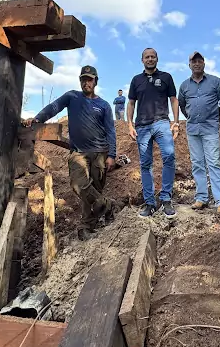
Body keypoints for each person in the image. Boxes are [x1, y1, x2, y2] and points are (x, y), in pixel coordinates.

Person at [23, 65, 116, 241]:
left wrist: (112, 155)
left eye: (89, 79)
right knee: (79, 185)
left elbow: (111, 131)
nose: (86, 82)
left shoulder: (103, 105)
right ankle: (108, 205)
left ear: (96, 81)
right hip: (78, 152)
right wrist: (38, 118)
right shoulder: (72, 96)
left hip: (100, 153)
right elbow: (54, 107)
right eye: (83, 79)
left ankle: (86, 226)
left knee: (94, 190)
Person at [127, 48, 180, 219]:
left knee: (169, 157)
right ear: (142, 60)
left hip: (162, 123)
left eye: (153, 56)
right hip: (142, 127)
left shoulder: (166, 77)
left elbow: (173, 99)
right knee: (145, 164)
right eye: (147, 57)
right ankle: (150, 203)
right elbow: (131, 103)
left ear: (157, 59)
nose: (150, 59)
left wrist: (176, 122)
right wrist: (129, 124)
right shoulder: (136, 80)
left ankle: (166, 199)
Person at [178, 52, 220, 216]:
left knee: (214, 162)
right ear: (189, 65)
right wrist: (191, 117)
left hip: (210, 128)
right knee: (197, 163)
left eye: (200, 61)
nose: (197, 64)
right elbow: (182, 105)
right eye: (194, 61)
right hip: (193, 129)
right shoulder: (184, 85)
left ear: (204, 63)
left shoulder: (216, 82)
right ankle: (201, 197)